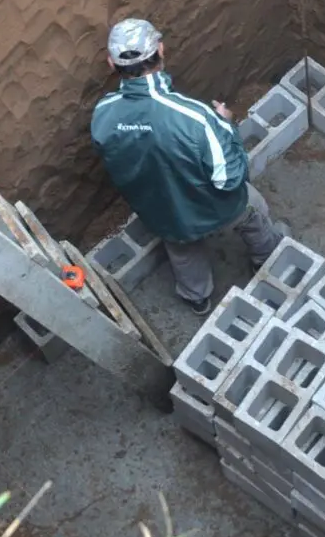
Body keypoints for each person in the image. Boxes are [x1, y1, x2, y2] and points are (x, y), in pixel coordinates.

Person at [91, 18, 289, 315]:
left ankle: (196, 296)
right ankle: (267, 255)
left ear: (111, 63)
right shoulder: (194, 117)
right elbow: (231, 179)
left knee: (182, 250)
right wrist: (225, 124)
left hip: (165, 216)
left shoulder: (102, 114)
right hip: (218, 209)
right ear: (161, 49)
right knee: (252, 209)